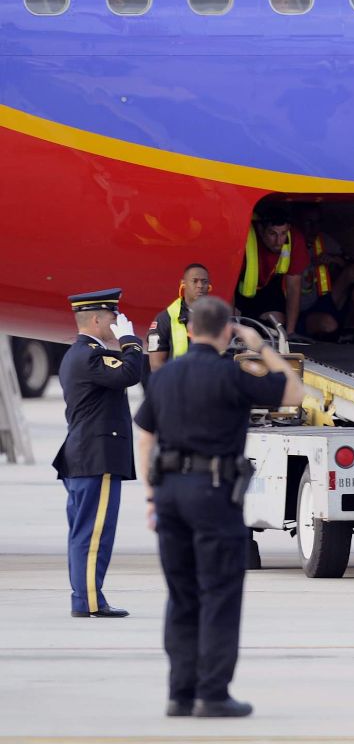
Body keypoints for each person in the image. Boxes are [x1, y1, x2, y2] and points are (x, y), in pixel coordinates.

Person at [134, 296, 303, 717]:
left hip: (170, 492)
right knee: (220, 592)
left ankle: (180, 692)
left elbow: (145, 437)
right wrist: (262, 347)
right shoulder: (233, 375)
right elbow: (296, 392)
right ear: (228, 331)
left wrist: (152, 496)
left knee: (182, 594)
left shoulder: (164, 376)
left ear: (189, 331)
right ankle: (212, 693)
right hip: (213, 493)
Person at [53, 289, 143, 618]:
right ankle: (90, 601)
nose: (116, 323)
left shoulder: (77, 355)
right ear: (95, 320)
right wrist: (131, 340)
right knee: (94, 535)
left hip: (83, 456)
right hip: (96, 456)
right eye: (113, 318)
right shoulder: (92, 355)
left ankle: (84, 599)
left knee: (83, 533)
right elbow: (130, 373)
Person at [294, 206, 354, 344]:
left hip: (324, 300)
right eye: (308, 222)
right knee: (329, 324)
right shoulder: (287, 241)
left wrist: (333, 260)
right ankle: (339, 338)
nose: (314, 228)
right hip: (299, 312)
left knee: (353, 271)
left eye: (318, 222)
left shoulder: (323, 240)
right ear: (298, 222)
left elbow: (350, 263)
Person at [234, 200, 308, 335]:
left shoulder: (296, 239)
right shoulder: (243, 237)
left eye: (283, 233)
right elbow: (228, 282)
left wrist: (290, 333)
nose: (279, 241)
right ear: (261, 230)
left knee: (277, 325)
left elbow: (293, 288)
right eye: (272, 234)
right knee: (235, 322)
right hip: (240, 288)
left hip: (269, 286)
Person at [147, 264, 212, 372]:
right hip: (179, 384)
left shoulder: (217, 316)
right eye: (195, 281)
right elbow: (156, 365)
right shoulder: (166, 318)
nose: (200, 285)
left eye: (204, 281)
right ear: (183, 283)